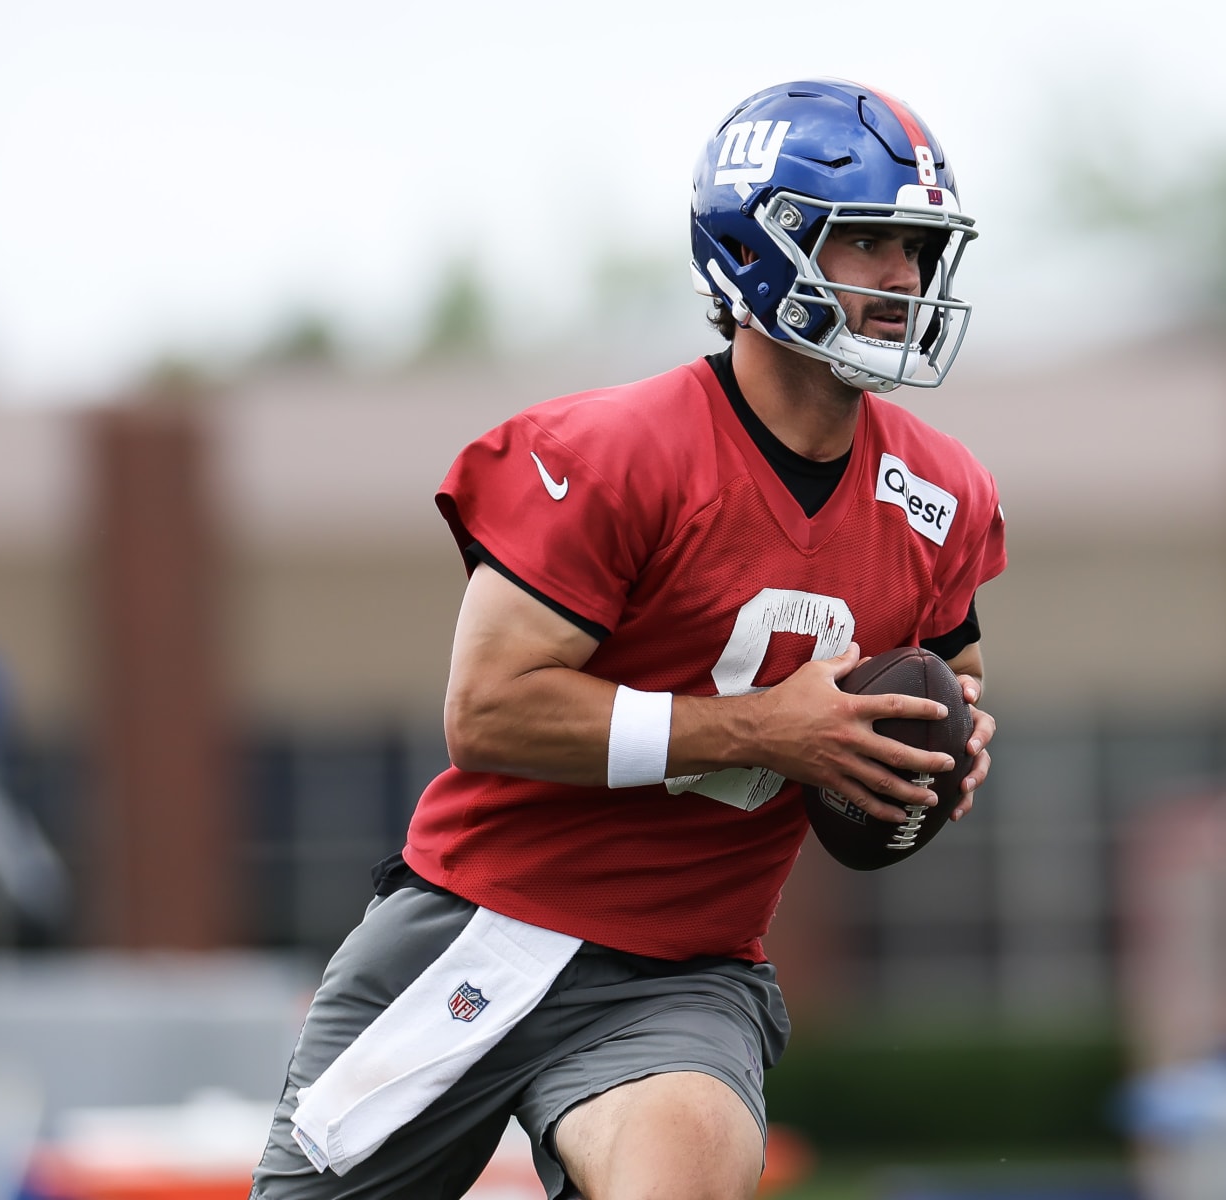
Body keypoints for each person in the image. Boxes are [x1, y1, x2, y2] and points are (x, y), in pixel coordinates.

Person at [250, 78, 1006, 1200]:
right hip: (483, 923)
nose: (902, 278)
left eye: (915, 246)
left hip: (683, 972)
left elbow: (950, 682)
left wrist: (939, 751)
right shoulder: (618, 453)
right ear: (763, 246)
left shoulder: (938, 490)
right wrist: (765, 732)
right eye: (868, 241)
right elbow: (489, 711)